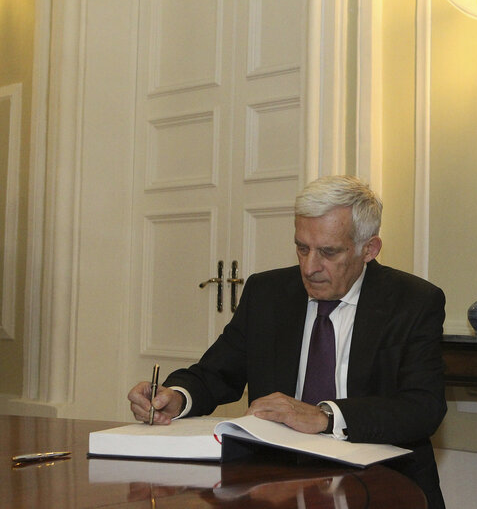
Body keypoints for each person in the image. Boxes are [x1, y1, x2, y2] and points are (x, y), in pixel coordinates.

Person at [128, 175, 447, 508]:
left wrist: (326, 416)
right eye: (302, 248)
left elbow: (423, 408)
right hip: (276, 484)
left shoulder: (412, 301)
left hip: (383, 486)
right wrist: (175, 397)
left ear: (369, 249)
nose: (310, 268)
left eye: (328, 252)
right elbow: (216, 373)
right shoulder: (268, 293)